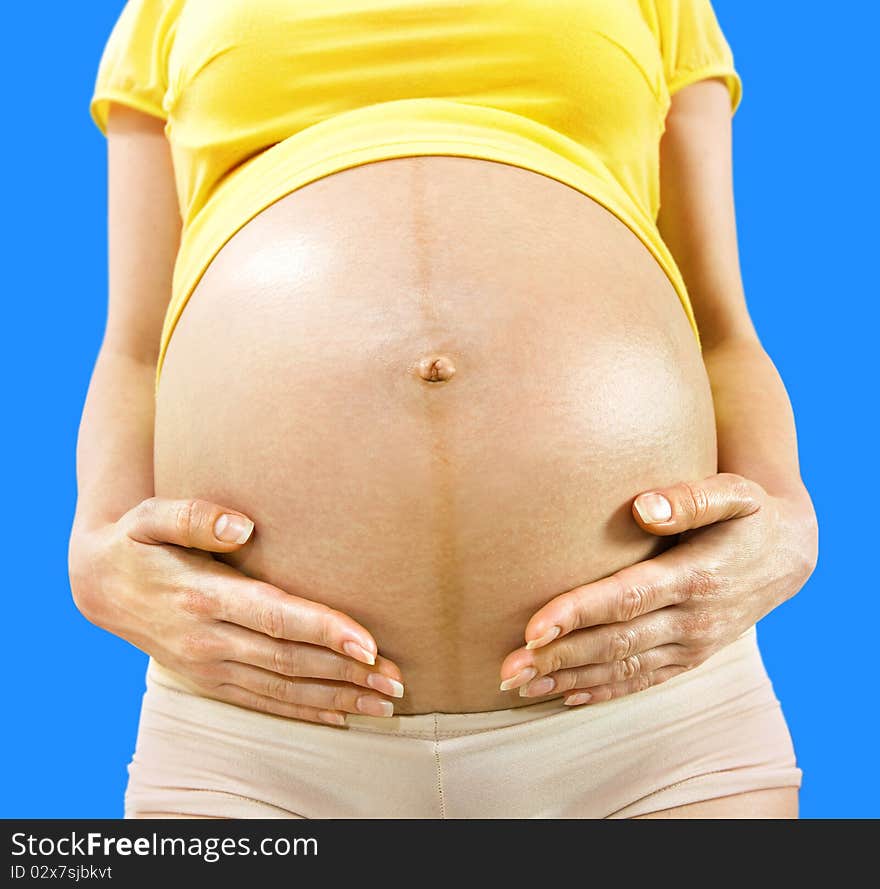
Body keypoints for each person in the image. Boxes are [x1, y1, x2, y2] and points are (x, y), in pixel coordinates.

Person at [69, 0, 818, 819]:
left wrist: (788, 517)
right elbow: (135, 348)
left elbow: (722, 333)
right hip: (257, 721)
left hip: (646, 714)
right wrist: (97, 548)